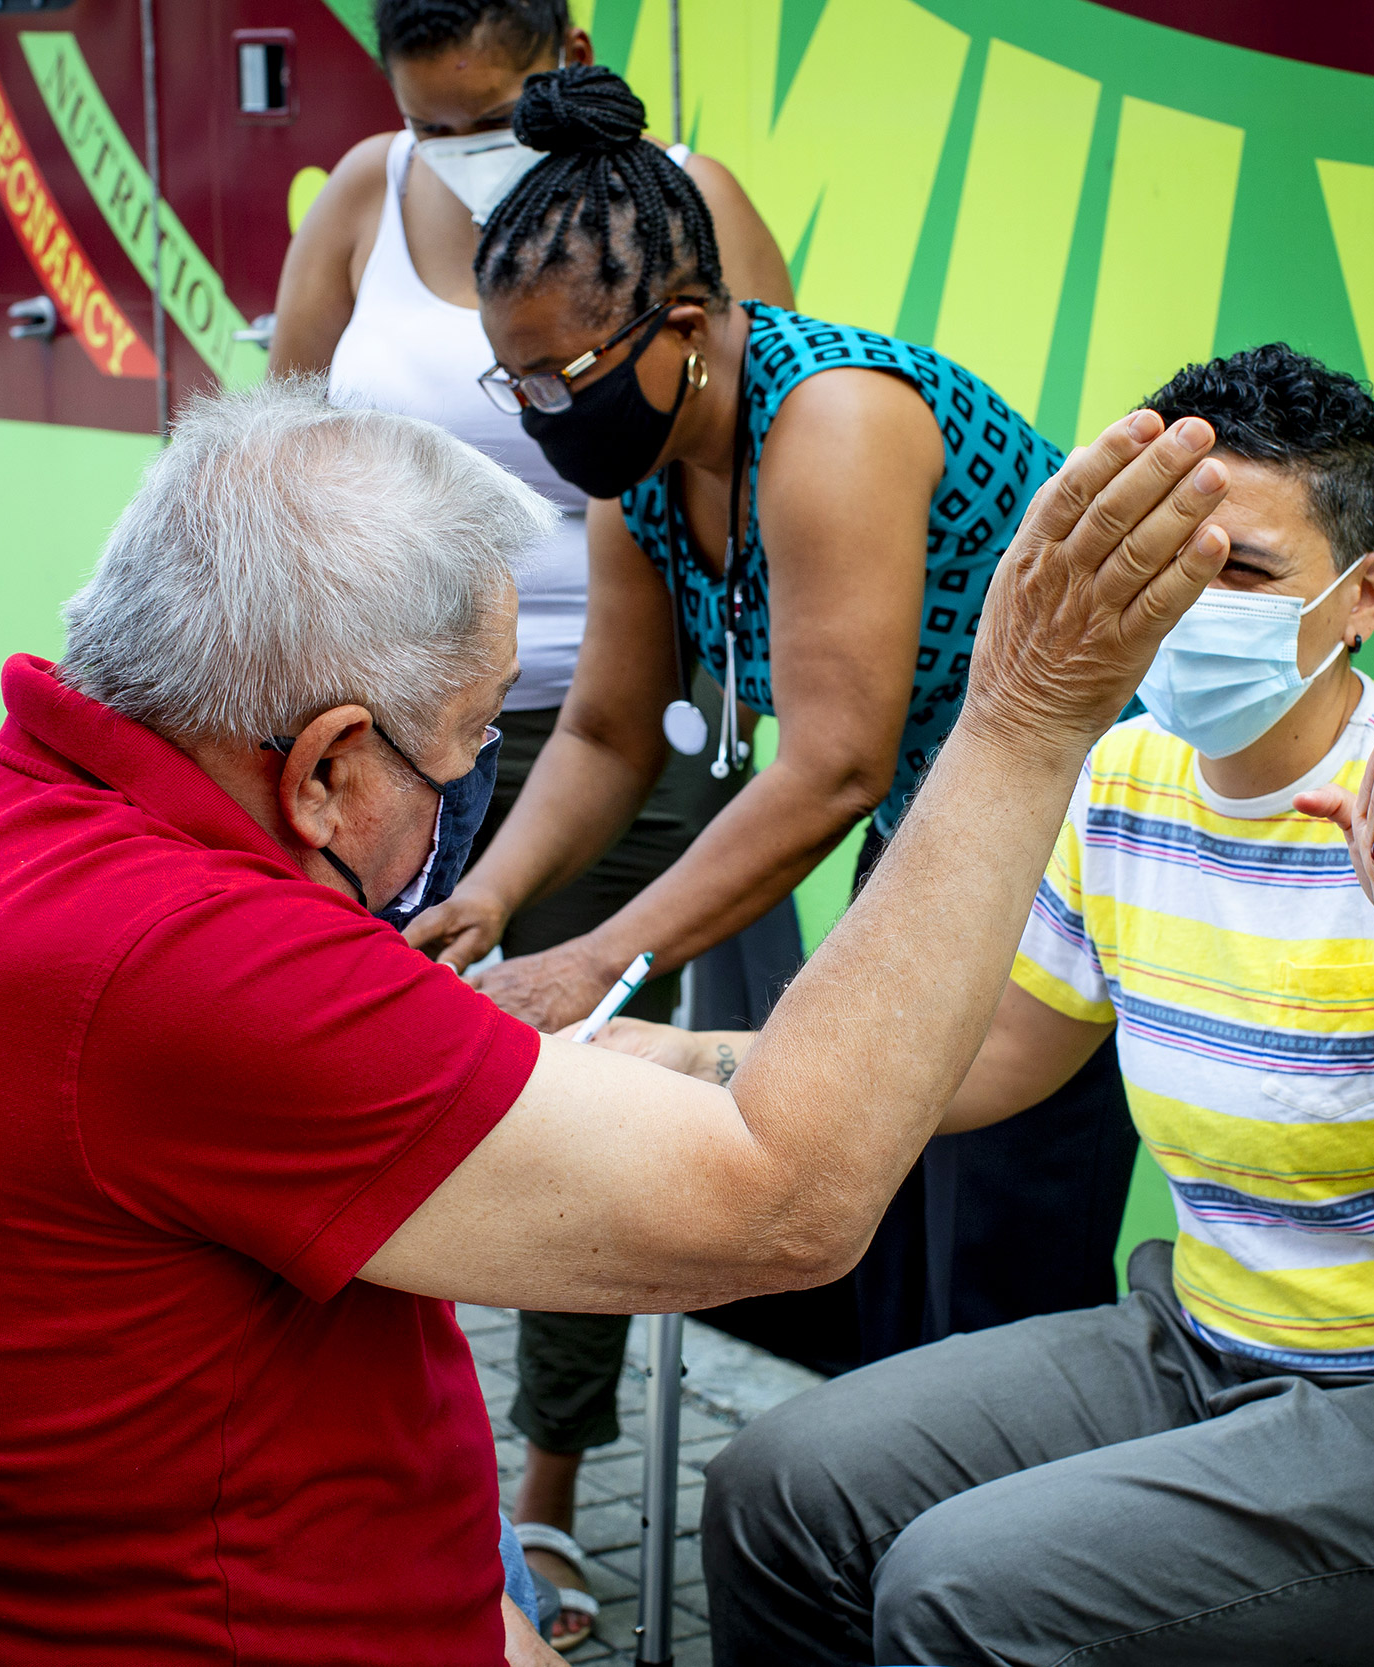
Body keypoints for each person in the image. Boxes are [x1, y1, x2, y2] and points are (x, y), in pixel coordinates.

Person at [0, 378, 1242, 1665]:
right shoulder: (203, 966)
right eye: (469, 746)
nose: (473, 799)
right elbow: (791, 1201)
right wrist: (1027, 715)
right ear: (326, 766)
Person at [609, 345, 1374, 1666]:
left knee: (958, 1594)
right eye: (1170, 560)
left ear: (1363, 593)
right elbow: (1000, 1060)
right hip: (1210, 1345)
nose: (1197, 602)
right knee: (779, 1487)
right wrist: (697, 1062)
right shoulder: (1126, 773)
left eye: (1248, 572)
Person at [409, 51, 1140, 1362]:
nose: (538, 415)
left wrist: (596, 960)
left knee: (993, 1258)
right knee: (886, 1219)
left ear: (686, 326)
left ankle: (998, 1544)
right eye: (510, 384)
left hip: (1077, 821)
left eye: (559, 378)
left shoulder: (835, 422)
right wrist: (493, 898)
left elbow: (835, 769)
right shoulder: (635, 464)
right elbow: (605, 732)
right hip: (945, 821)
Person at [270, 11, 794, 1636]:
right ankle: (363, 1472)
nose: (460, 150)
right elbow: (274, 449)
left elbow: (757, 450)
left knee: (556, 1106)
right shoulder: (363, 196)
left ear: (567, 48)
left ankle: (542, 1499)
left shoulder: (676, 207)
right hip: (385, 740)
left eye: (488, 117)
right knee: (347, 1096)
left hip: (623, 733)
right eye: (430, 121)